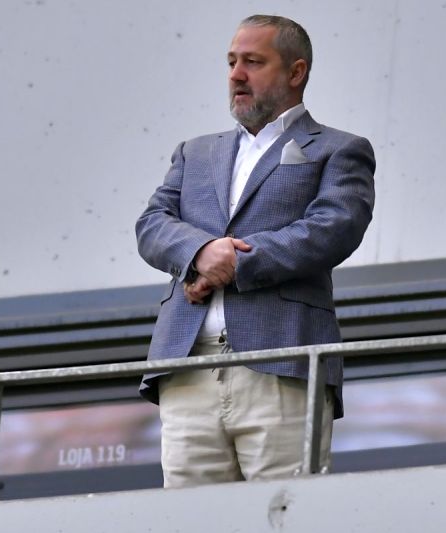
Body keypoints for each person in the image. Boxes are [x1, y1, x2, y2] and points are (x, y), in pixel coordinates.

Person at [135, 14, 375, 488]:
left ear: (296, 71)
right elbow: (152, 224)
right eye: (231, 62)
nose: (236, 75)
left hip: (283, 363)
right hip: (186, 367)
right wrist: (201, 253)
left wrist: (233, 262)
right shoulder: (194, 152)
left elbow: (334, 228)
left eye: (253, 62)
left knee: (284, 513)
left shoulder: (339, 148)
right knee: (189, 520)